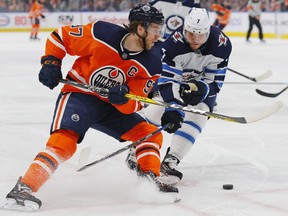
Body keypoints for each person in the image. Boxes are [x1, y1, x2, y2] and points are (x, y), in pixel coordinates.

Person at [4, 4, 180, 210]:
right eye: (155, 29)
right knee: (64, 141)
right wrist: (51, 63)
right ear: (140, 28)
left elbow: (137, 101)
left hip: (112, 107)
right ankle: (24, 188)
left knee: (149, 134)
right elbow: (60, 37)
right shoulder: (101, 33)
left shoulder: (152, 61)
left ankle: (149, 184)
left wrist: (124, 99)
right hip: (81, 96)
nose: (158, 35)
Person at [126, 7, 232, 185]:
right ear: (184, 29)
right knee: (156, 109)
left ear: (207, 31)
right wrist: (175, 106)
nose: (195, 40)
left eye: (200, 35)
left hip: (200, 85)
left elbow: (215, 83)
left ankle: (170, 161)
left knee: (201, 112)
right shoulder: (172, 44)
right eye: (191, 34)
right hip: (176, 82)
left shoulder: (222, 45)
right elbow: (167, 81)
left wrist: (201, 89)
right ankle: (138, 147)